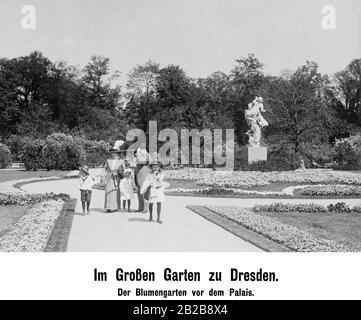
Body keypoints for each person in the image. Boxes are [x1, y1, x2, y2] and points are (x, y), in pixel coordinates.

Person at [101, 140, 126, 212]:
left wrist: (120, 173)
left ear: (117, 153)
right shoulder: (108, 160)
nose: (113, 154)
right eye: (112, 152)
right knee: (108, 191)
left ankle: (115, 207)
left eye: (114, 152)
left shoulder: (121, 161)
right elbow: (105, 168)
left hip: (117, 178)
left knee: (116, 192)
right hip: (109, 177)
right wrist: (102, 176)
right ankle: (108, 207)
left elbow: (124, 170)